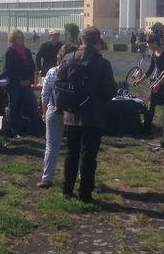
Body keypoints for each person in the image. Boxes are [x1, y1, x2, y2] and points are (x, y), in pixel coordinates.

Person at [61, 27, 117, 202]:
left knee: (71, 153)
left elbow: (60, 85)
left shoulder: (67, 59)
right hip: (93, 115)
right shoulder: (102, 64)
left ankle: (66, 188)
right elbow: (110, 91)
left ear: (81, 39)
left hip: (71, 114)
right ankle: (84, 193)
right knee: (88, 156)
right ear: (97, 41)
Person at [37, 43, 77, 188]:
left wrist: (43, 113)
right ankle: (74, 177)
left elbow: (45, 95)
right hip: (73, 112)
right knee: (74, 147)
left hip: (54, 109)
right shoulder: (78, 72)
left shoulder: (52, 71)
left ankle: (46, 178)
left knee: (51, 145)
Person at [135, 32, 164, 136]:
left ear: (155, 43)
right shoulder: (154, 54)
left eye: (149, 45)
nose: (148, 47)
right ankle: (146, 128)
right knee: (151, 105)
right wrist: (140, 80)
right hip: (157, 81)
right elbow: (150, 70)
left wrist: (158, 84)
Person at [4, 29, 41, 137]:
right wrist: (19, 81)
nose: (20, 40)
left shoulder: (27, 51)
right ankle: (15, 131)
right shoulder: (9, 52)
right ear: (13, 39)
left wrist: (29, 80)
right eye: (18, 38)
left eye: (21, 38)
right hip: (14, 84)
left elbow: (31, 67)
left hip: (27, 83)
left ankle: (33, 129)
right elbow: (8, 70)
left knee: (33, 105)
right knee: (14, 107)